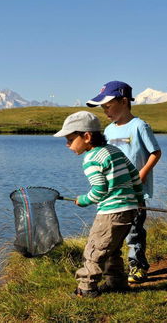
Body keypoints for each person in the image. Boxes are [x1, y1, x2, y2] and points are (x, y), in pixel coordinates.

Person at [54, 111, 144, 297]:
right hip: (129, 210)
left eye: (71, 139)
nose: (67, 144)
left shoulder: (91, 159)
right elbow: (135, 175)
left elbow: (100, 190)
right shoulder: (114, 151)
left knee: (94, 250)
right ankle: (116, 282)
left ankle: (87, 288)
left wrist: (84, 200)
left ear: (86, 137)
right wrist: (138, 200)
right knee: (112, 249)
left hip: (110, 213)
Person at [86, 81, 162, 283]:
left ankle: (137, 266)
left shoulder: (139, 126)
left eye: (108, 105)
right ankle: (114, 269)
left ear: (124, 101)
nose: (105, 111)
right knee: (114, 233)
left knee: (134, 231)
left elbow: (155, 152)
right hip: (114, 194)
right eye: (103, 107)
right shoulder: (109, 130)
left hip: (136, 193)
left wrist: (142, 173)